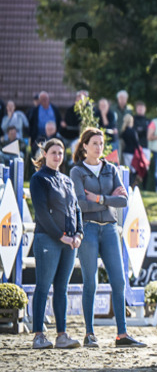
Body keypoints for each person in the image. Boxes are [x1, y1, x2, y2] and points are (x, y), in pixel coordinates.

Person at [70, 128, 145, 348]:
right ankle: (89, 334)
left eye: (101, 143)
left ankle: (122, 334)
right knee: (90, 282)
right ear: (84, 146)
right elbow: (81, 204)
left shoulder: (111, 169)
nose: (99, 147)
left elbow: (123, 201)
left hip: (110, 229)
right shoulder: (76, 171)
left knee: (119, 281)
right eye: (94, 143)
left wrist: (100, 198)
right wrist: (109, 199)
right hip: (89, 229)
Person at [28, 138, 83, 349]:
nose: (58, 156)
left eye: (60, 153)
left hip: (69, 242)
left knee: (62, 288)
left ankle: (62, 335)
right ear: (45, 154)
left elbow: (76, 209)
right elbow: (41, 213)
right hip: (48, 239)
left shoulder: (66, 180)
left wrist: (78, 233)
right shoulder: (38, 179)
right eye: (54, 152)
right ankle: (39, 335)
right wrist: (61, 236)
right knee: (43, 286)